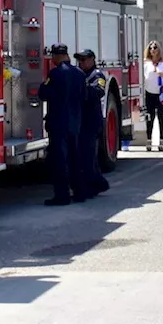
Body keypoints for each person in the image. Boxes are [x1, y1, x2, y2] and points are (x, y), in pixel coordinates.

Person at [38, 43, 85, 206]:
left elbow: (42, 94)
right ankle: (79, 192)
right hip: (75, 124)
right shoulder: (79, 74)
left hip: (58, 124)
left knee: (59, 160)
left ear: (57, 57)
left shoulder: (55, 74)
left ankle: (62, 196)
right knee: (75, 158)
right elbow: (84, 97)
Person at [74, 48, 111, 196]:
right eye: (79, 60)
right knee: (85, 156)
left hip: (91, 122)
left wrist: (81, 89)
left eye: (84, 59)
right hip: (81, 121)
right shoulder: (79, 74)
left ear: (92, 60)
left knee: (88, 156)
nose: (81, 62)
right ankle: (97, 184)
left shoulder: (97, 75)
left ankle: (93, 185)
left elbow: (98, 91)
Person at [142, 41, 163, 151]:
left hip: (161, 93)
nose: (153, 50)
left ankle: (161, 140)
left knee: (161, 116)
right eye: (151, 48)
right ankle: (149, 140)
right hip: (149, 93)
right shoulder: (146, 63)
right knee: (150, 117)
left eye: (155, 48)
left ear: (159, 49)